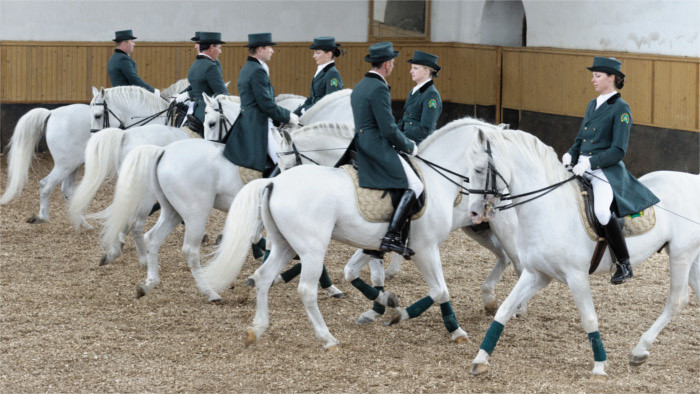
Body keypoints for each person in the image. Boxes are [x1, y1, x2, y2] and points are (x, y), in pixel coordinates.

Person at [562, 56, 660, 285]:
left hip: (603, 171)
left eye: (597, 76)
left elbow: (618, 150)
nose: (593, 80)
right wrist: (571, 154)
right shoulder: (592, 104)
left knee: (602, 212)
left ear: (611, 78)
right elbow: (580, 139)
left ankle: (623, 263)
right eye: (593, 75)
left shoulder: (621, 109)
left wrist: (590, 162)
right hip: (581, 167)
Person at [351, 42, 421, 256]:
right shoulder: (379, 87)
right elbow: (388, 129)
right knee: (414, 185)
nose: (393, 66)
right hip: (376, 145)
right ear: (386, 64)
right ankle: (392, 236)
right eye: (392, 62)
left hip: (360, 142)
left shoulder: (361, 85)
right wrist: (408, 145)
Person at [223, 32, 299, 177]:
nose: (272, 51)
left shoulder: (251, 67)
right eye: (269, 48)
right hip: (258, 123)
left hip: (251, 119)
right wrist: (288, 116)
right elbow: (266, 105)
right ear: (259, 49)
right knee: (283, 159)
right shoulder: (257, 70)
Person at [186, 31, 229, 135]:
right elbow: (222, 94)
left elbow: (197, 87)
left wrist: (186, 94)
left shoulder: (196, 63)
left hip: (196, 108)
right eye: (219, 48)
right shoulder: (211, 66)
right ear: (211, 47)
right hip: (207, 110)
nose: (220, 51)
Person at [397, 51, 442, 145]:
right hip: (406, 139)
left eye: (415, 68)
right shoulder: (414, 91)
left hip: (418, 144)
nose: (411, 71)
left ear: (426, 71)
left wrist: (401, 138)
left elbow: (425, 129)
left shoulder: (431, 95)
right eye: (411, 68)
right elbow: (406, 120)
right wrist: (393, 133)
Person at [293, 37, 344, 116]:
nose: (314, 56)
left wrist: (305, 111)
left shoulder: (332, 74)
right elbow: (312, 98)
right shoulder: (322, 71)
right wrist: (295, 114)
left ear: (329, 54)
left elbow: (330, 101)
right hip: (314, 113)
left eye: (317, 53)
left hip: (323, 117)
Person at [107, 30, 159, 95]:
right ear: (124, 43)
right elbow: (135, 80)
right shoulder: (123, 59)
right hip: (128, 98)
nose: (134, 44)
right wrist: (152, 91)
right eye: (131, 41)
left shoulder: (113, 58)